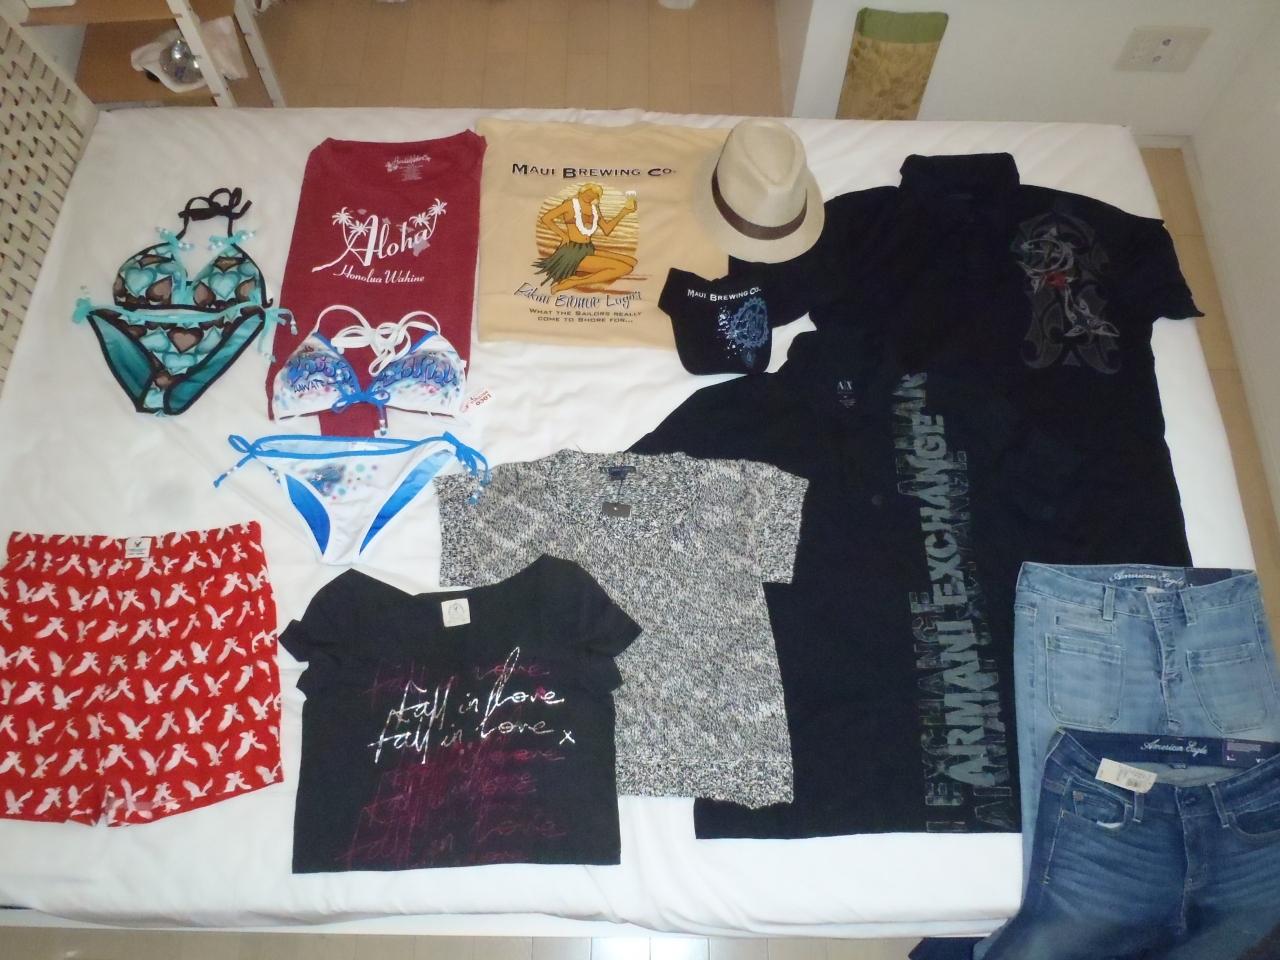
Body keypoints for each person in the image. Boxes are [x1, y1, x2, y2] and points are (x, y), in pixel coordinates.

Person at [533, 183, 637, 294]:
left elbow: (607, 229)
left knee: (633, 261)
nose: (590, 196)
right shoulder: (570, 204)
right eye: (588, 193)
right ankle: (574, 282)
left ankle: (576, 279)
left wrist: (624, 212)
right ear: (581, 192)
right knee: (625, 268)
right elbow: (546, 218)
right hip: (572, 252)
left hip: (588, 248)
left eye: (594, 195)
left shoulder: (594, 208)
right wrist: (563, 235)